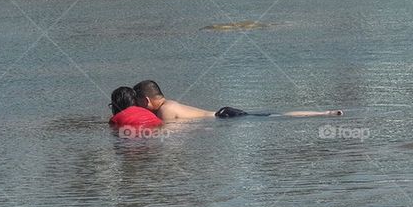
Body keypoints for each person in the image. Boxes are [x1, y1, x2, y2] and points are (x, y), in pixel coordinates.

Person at [133, 80, 342, 121]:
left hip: (224, 117)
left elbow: (170, 135)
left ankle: (323, 114)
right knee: (270, 115)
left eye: (138, 102)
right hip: (223, 114)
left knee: (274, 116)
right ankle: (323, 113)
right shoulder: (170, 103)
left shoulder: (165, 110)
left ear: (146, 100)